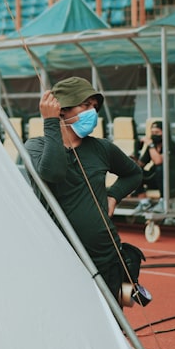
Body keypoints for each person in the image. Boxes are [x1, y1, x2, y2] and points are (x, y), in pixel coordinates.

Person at [23, 77, 147, 306]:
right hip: (63, 258)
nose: (93, 112)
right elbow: (53, 173)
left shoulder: (102, 148)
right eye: (85, 105)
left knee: (116, 319)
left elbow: (134, 174)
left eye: (95, 107)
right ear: (62, 109)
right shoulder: (35, 146)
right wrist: (51, 123)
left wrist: (113, 196)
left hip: (108, 255)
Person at [137, 120, 175, 196]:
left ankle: (163, 200)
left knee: (160, 169)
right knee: (135, 171)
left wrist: (151, 145)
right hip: (157, 179)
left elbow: (158, 161)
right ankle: (142, 199)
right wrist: (132, 161)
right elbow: (141, 164)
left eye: (157, 132)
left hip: (173, 180)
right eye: (152, 133)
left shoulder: (170, 146)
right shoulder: (153, 146)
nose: (154, 135)